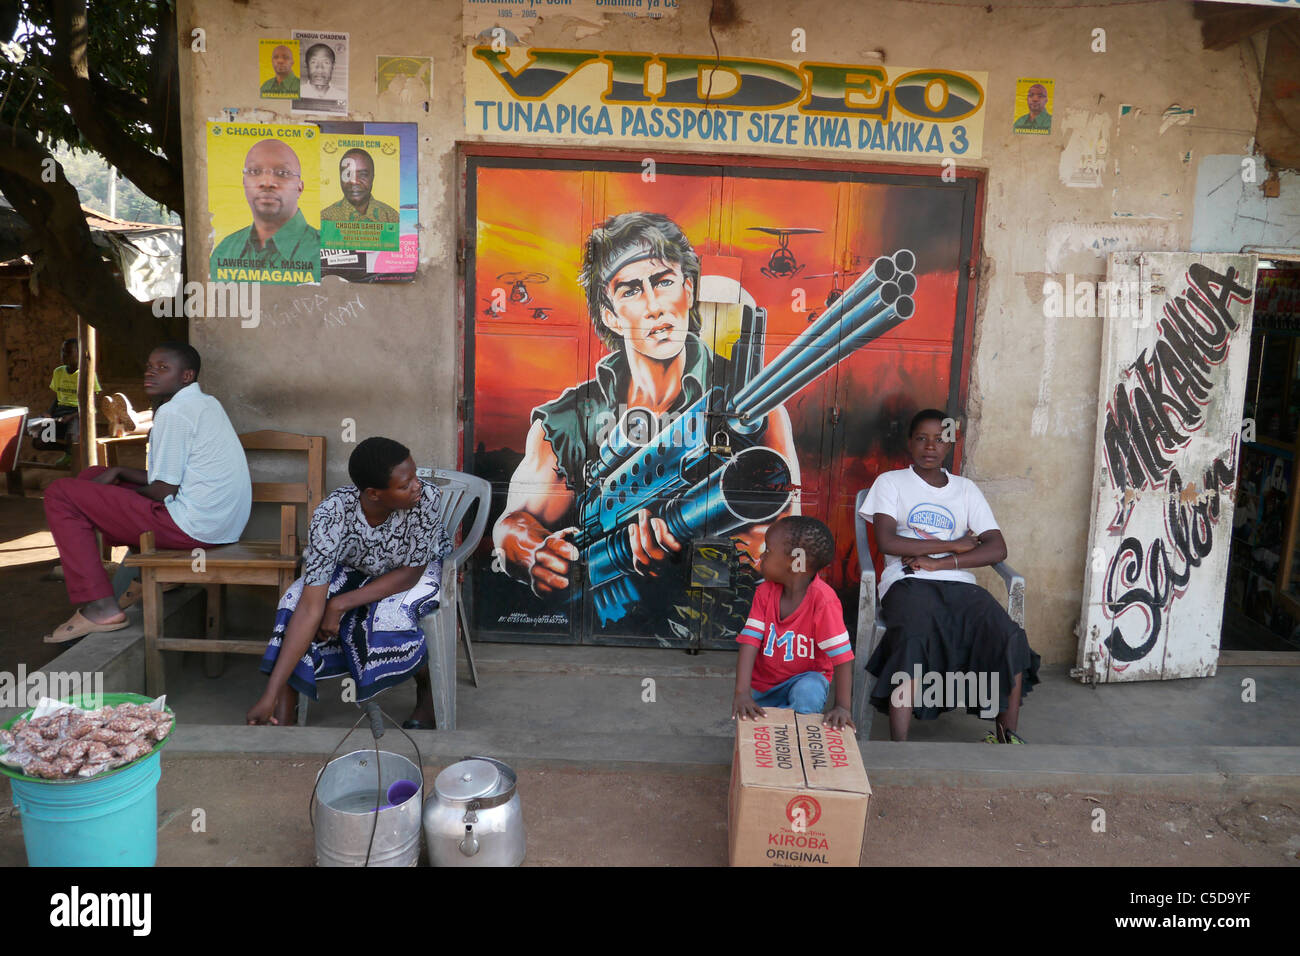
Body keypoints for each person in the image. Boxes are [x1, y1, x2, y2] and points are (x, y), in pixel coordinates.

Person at [493, 212, 799, 608]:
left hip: (709, 622)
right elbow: (513, 522)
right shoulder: (566, 419)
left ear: (688, 290)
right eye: (631, 290)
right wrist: (536, 554)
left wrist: (689, 544)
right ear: (610, 316)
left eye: (664, 282)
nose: (655, 307)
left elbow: (784, 537)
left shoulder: (751, 404)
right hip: (603, 624)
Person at [42, 342, 252, 643]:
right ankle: (154, 577)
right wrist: (118, 473)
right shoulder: (205, 403)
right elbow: (172, 479)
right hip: (218, 526)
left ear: (186, 376)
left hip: (193, 530)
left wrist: (111, 500)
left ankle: (101, 607)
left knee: (60, 494)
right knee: (94, 476)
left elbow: (163, 490)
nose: (151, 373)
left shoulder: (175, 413)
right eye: (150, 367)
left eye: (163, 368)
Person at [860, 409, 1041, 742]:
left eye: (940, 438)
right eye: (921, 438)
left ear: (951, 443)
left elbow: (997, 548)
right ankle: (899, 746)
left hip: (958, 584)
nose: (931, 446)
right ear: (909, 442)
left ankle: (1006, 737)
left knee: (1009, 636)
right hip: (906, 582)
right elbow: (887, 540)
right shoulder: (891, 482)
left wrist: (941, 563)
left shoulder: (965, 489)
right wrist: (954, 544)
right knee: (913, 636)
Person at [246, 437, 452, 727]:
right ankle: (280, 700)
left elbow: (410, 573)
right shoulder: (332, 515)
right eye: (405, 485)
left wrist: (340, 604)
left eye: (414, 476)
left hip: (417, 566)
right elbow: (309, 606)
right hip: (358, 568)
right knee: (294, 601)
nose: (417, 485)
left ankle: (427, 689)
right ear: (373, 493)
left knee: (391, 616)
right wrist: (267, 693)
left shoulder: (426, 499)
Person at [731, 516, 855, 730]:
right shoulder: (764, 593)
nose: (761, 556)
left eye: (768, 550)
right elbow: (750, 641)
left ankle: (802, 734)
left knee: (809, 690)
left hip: (804, 684)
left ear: (796, 560)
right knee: (764, 734)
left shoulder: (823, 601)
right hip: (765, 687)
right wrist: (742, 693)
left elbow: (842, 657)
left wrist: (843, 706)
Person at [210, 138, 320, 280]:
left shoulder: (323, 252)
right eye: (255, 171)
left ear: (300, 187)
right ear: (244, 183)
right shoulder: (225, 250)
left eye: (282, 173)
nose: (267, 182)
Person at [27, 337, 101, 467]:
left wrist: (72, 416)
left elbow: (92, 404)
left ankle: (72, 453)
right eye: (62, 352)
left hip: (79, 414)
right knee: (38, 441)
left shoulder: (86, 374)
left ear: (79, 354)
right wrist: (49, 413)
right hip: (60, 413)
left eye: (68, 352)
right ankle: (69, 451)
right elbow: (58, 397)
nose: (64, 355)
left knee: (72, 436)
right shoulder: (59, 372)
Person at [321, 148, 399, 225]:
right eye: (348, 175)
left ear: (372, 177)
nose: (354, 181)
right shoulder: (324, 218)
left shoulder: (392, 218)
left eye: (362, 175)